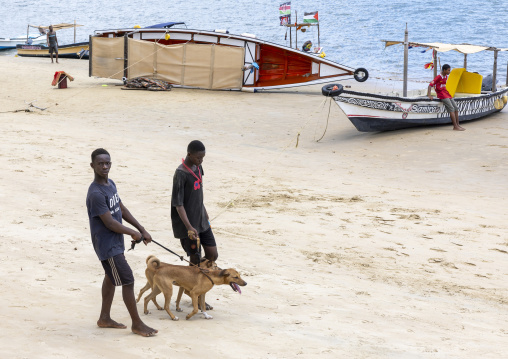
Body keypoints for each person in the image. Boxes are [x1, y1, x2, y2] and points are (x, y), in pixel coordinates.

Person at [86, 148, 157, 337]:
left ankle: (104, 318)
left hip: (115, 242)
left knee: (111, 277)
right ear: (92, 165)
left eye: (107, 163)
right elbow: (109, 222)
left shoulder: (111, 185)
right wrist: (133, 233)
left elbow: (121, 209)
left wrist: (141, 229)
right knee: (127, 279)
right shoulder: (95, 193)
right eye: (100, 163)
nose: (104, 166)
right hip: (107, 245)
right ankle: (137, 324)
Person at [171, 140, 218, 267]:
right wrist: (189, 227)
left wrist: (205, 212)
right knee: (195, 257)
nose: (201, 160)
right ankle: (192, 278)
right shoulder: (181, 174)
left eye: (203, 158)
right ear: (189, 154)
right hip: (189, 223)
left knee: (213, 255)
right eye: (198, 157)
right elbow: (178, 204)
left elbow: (198, 193)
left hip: (202, 219)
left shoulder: (198, 167)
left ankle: (196, 271)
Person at [427, 64, 465, 131]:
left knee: (456, 107)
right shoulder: (438, 77)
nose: (449, 71)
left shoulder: (446, 76)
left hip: (446, 93)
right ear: (444, 70)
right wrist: (429, 95)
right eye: (448, 70)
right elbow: (430, 85)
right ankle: (455, 126)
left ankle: (458, 125)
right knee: (451, 108)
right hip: (441, 94)